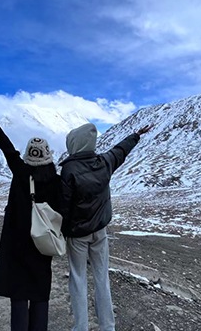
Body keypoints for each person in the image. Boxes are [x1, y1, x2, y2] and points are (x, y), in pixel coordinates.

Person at [59, 122, 153, 331]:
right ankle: (107, 326)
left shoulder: (69, 170)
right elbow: (120, 150)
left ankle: (81, 327)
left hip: (77, 236)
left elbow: (63, 206)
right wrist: (135, 135)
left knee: (78, 279)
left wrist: (62, 231)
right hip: (100, 232)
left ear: (75, 144)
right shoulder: (104, 162)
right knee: (102, 278)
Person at [0, 114, 61, 331]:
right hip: (42, 243)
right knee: (40, 292)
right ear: (48, 156)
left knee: (19, 293)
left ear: (28, 157)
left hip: (17, 243)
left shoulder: (20, 171)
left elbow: (8, 150)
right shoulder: (56, 181)